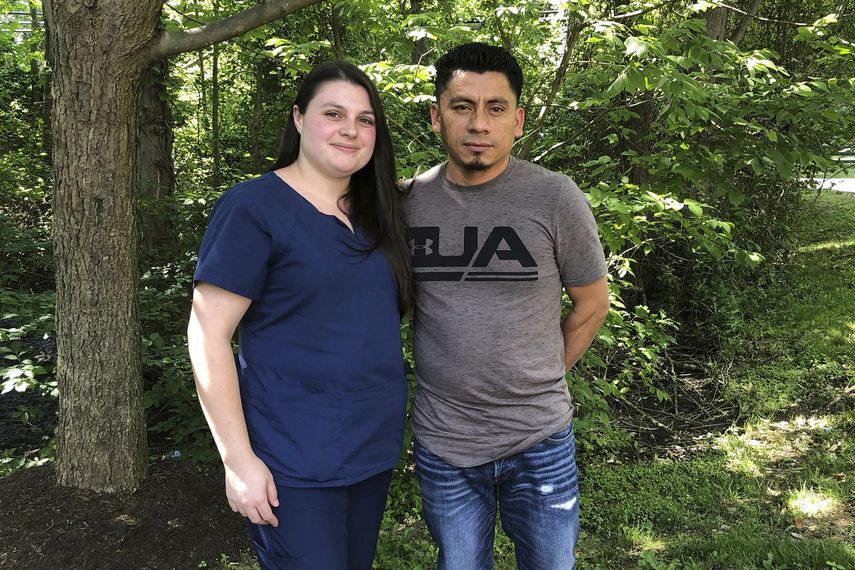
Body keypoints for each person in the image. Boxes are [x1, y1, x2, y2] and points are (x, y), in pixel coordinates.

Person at [187, 60, 413, 570]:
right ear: (298, 118)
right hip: (291, 458)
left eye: (365, 119)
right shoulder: (253, 208)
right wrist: (238, 461)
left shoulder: (379, 214)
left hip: (371, 449)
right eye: (333, 113)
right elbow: (207, 335)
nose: (350, 129)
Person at [404, 43, 610, 569]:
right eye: (462, 106)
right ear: (436, 116)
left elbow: (591, 303)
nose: (479, 123)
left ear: (517, 121)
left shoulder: (555, 198)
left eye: (496, 108)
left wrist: (540, 375)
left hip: (539, 439)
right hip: (444, 443)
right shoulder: (406, 204)